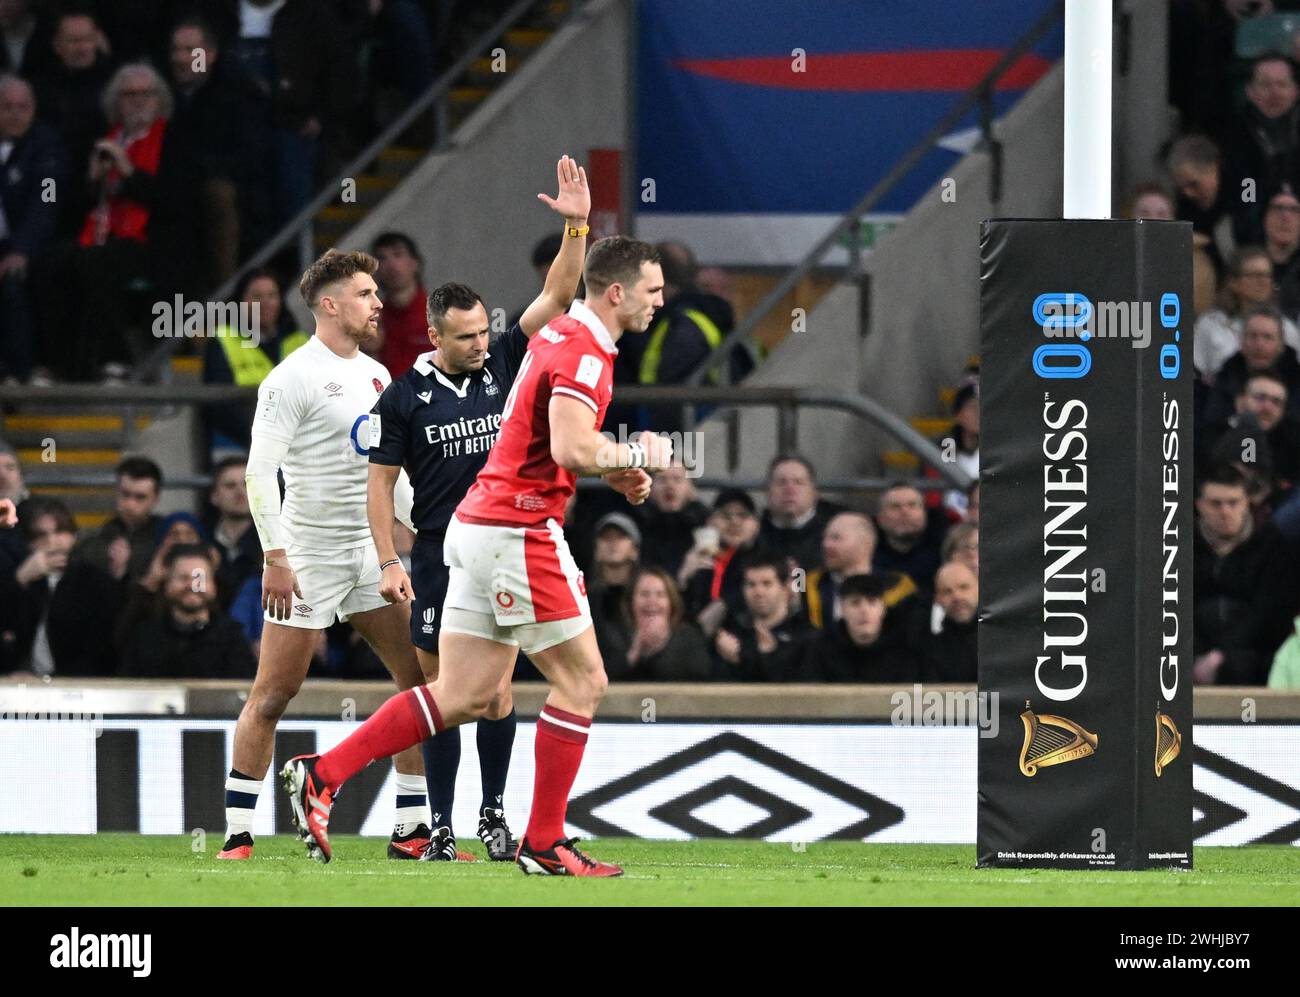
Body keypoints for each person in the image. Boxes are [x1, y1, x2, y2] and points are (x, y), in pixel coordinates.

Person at [281, 235, 672, 876]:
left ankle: (324, 773)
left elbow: (551, 423)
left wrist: (578, 227)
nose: (661, 302)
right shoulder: (584, 353)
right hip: (519, 530)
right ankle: (544, 842)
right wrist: (635, 454)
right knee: (584, 682)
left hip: (474, 527)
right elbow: (574, 446)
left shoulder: (560, 336)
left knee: (461, 694)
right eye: (654, 291)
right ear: (619, 293)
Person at [364, 156, 591, 860]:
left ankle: (494, 812)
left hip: (505, 543)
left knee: (494, 692)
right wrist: (387, 559)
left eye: (483, 332)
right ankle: (440, 824)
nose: (481, 344)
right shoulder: (404, 395)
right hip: (436, 552)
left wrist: (577, 226)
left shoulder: (504, 364)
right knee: (445, 689)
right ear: (434, 335)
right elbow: (380, 485)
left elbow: (556, 294)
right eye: (465, 336)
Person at [221, 248, 431, 863]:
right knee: (273, 694)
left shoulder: (377, 375)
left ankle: (412, 830)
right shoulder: (290, 378)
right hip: (307, 560)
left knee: (417, 686)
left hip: (373, 556)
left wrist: (436, 531)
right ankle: (237, 835)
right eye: (366, 294)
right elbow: (259, 474)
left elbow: (396, 475)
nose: (378, 303)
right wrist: (274, 556)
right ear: (331, 304)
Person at [1193, 464, 1296, 686]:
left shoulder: (1272, 546)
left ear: (1247, 503)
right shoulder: (1179, 546)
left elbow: (1271, 616)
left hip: (1251, 656)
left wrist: (1221, 656)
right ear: (1199, 505)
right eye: (1215, 504)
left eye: (1233, 502)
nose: (1225, 512)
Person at [0, 499, 119, 675]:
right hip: (20, 683)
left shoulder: (94, 581)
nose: (52, 541)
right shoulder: (22, 581)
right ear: (29, 543)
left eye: (60, 531)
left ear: (74, 535)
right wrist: (20, 580)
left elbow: (99, 653)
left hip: (76, 684)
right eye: (40, 535)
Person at [0, 74, 66, 385]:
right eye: (6, 107)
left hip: (29, 244)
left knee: (14, 284)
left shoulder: (46, 146)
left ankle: (22, 371)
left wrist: (21, 249)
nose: (15, 114)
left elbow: (46, 200)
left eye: (22, 107)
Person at [202, 267, 310, 451]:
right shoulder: (223, 339)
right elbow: (219, 403)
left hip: (295, 444)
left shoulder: (299, 340)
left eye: (272, 295)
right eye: (257, 296)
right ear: (241, 302)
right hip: (238, 445)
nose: (265, 303)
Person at [118, 543, 256, 679]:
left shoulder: (232, 638)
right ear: (167, 583)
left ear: (213, 585)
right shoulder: (146, 636)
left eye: (200, 579)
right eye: (183, 578)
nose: (192, 586)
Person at [1223, 53, 1300, 245]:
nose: (1274, 92)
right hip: (1250, 236)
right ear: (1250, 91)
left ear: (1295, 91)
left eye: (1282, 84)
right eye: (1265, 85)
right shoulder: (1231, 137)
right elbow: (1244, 192)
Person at [1193, 246, 1300, 379]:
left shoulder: (1286, 328)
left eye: (1267, 275)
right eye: (1255, 275)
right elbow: (1197, 373)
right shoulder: (1210, 324)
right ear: (1234, 282)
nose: (1263, 281)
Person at [801, 573, 918, 682]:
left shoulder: (904, 650)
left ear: (883, 609)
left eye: (872, 602)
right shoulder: (821, 651)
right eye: (855, 603)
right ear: (842, 610)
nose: (864, 611)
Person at [713, 554, 812, 681]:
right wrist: (730, 661)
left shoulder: (806, 636)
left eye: (767, 584)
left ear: (785, 588)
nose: (758, 592)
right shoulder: (732, 633)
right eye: (751, 585)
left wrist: (768, 656)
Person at [603, 566, 712, 681]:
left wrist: (660, 645)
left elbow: (699, 677)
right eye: (644, 594)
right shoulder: (615, 636)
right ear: (631, 603)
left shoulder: (689, 637)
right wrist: (634, 653)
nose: (652, 601)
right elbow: (604, 677)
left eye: (660, 595)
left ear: (671, 604)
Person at [678, 487, 764, 628]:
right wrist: (682, 579)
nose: (734, 522)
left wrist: (724, 604)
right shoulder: (691, 555)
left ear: (756, 525)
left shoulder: (766, 562)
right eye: (725, 515)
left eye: (743, 515)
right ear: (710, 522)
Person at [1203, 305, 1300, 427]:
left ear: (1280, 345)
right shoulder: (1227, 376)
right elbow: (1212, 424)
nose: (1259, 345)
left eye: (1267, 337)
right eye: (1253, 336)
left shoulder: (1296, 380)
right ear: (1242, 342)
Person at [71, 455, 162, 582]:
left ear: (155, 499)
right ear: (116, 491)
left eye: (140, 497)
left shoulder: (166, 539)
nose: (130, 504)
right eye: (125, 494)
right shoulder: (93, 546)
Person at [757, 454, 844, 571]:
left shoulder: (837, 528)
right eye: (781, 483)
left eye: (799, 482)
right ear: (767, 491)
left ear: (814, 492)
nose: (790, 490)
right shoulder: (754, 534)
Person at [633, 458, 708, 579]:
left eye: (677, 480)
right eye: (662, 480)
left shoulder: (705, 524)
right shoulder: (638, 523)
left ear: (691, 489)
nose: (670, 486)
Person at [205, 456, 261, 609]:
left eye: (247, 484)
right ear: (214, 496)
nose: (240, 492)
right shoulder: (201, 540)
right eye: (230, 486)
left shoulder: (277, 542)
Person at [370, 231, 429, 378]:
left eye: (398, 254)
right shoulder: (373, 318)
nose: (391, 265)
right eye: (382, 258)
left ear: (415, 263)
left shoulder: (442, 314)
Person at [872, 482, 949, 594]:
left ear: (925, 514)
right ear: (880, 518)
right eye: (895, 506)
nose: (904, 512)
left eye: (912, 505)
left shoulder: (945, 551)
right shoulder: (867, 555)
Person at [911, 560, 978, 682]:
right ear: (937, 599)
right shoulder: (930, 650)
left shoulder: (1002, 638)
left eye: (964, 587)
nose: (957, 597)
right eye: (947, 591)